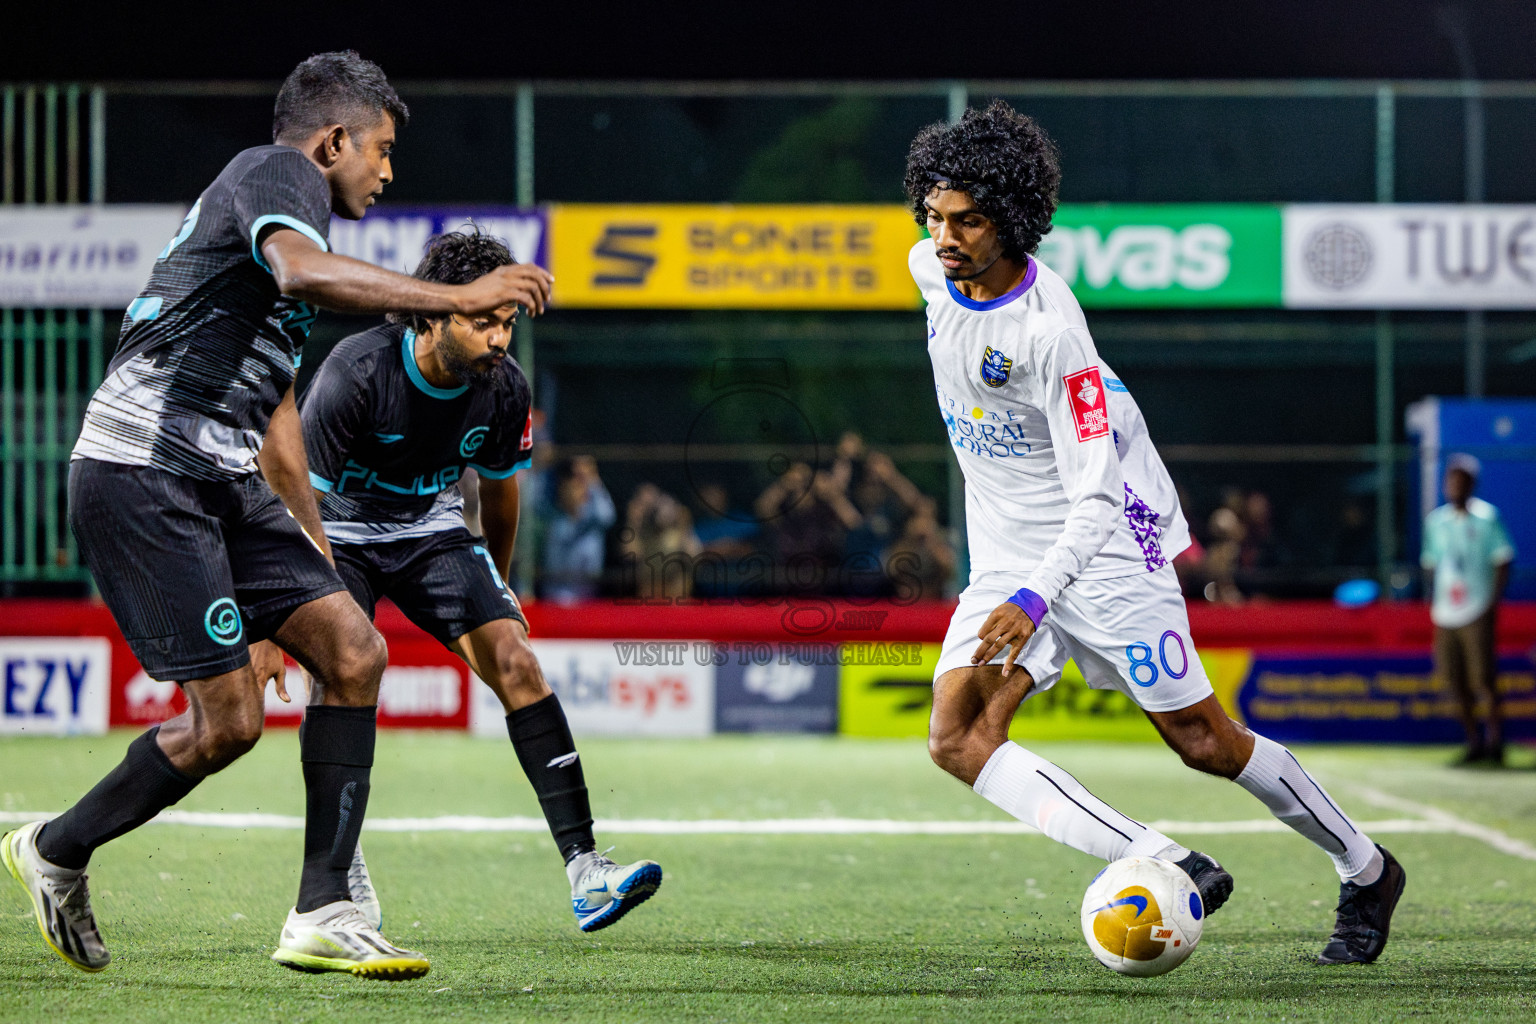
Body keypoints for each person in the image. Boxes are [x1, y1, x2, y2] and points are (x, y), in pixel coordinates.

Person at [1, 51, 552, 980]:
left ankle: (324, 911)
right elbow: (302, 274)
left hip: (224, 477)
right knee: (228, 723)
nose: (387, 170)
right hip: (144, 469)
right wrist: (458, 295)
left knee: (353, 650)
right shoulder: (277, 175)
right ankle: (57, 847)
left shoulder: (285, 239)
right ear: (332, 142)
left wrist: (308, 571)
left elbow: (280, 421)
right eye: (381, 149)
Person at [903, 100, 1405, 966]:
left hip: (1102, 546)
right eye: (935, 215)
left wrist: (1036, 597)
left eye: (969, 221)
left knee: (1203, 742)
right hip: (1010, 555)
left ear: (1012, 221)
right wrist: (1019, 582)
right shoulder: (928, 267)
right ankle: (1168, 861)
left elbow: (1098, 494)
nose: (945, 237)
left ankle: (1367, 869)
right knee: (957, 737)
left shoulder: (1053, 337)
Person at [299, 228, 661, 936]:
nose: (500, 338)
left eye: (508, 322)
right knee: (340, 673)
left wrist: (495, 583)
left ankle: (587, 872)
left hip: (430, 531)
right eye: (483, 320)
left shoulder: (504, 387)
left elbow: (500, 491)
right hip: (333, 532)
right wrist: (283, 613)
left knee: (518, 661)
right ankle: (336, 870)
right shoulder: (356, 371)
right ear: (433, 312)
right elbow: (293, 502)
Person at [1422, 454, 1515, 766]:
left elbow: (1503, 559)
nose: (1455, 486)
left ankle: (1496, 743)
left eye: (1462, 480)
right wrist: (1435, 597)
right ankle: (1474, 742)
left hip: (1477, 608)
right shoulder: (1436, 521)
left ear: (1472, 484)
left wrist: (1492, 603)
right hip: (1446, 612)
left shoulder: (1487, 517)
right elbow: (1431, 563)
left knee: (1484, 678)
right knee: (1454, 679)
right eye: (1451, 480)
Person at [539, 456, 615, 602]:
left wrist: (592, 480)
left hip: (588, 597)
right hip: (556, 598)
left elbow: (608, 516)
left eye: (577, 488)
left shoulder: (594, 521)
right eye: (568, 488)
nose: (572, 493)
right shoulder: (555, 522)